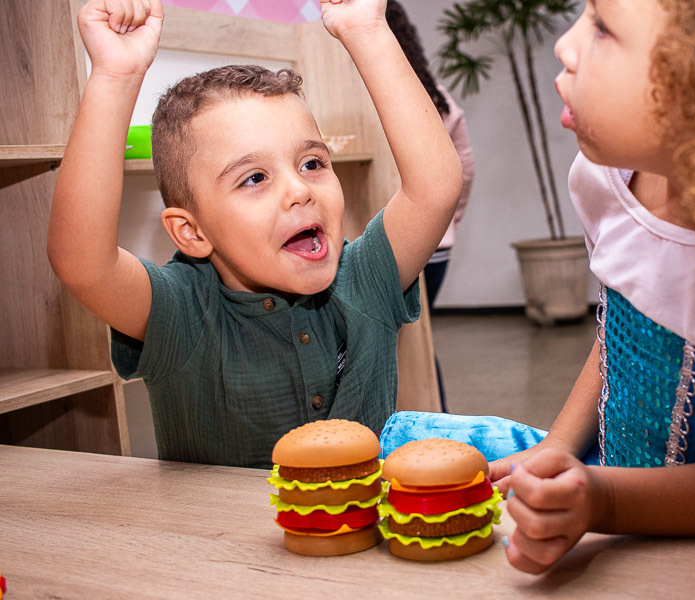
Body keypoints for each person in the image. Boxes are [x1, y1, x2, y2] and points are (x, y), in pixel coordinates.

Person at [382, 0, 695, 575]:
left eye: (602, 26)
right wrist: (557, 447)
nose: (565, 44)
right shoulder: (604, 180)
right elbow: (620, 329)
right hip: (602, 485)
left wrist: (609, 500)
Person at [48, 0, 462, 469]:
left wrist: (366, 29)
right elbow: (81, 261)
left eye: (312, 163)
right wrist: (114, 77)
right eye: (254, 179)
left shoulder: (365, 277)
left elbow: (435, 188)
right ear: (191, 232)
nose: (299, 190)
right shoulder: (179, 311)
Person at [385, 0, 475, 411]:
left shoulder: (384, 100)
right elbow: (465, 167)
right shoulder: (435, 97)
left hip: (402, 240)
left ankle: (424, 436)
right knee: (421, 343)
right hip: (439, 244)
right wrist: (447, 221)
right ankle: (437, 429)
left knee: (406, 348)